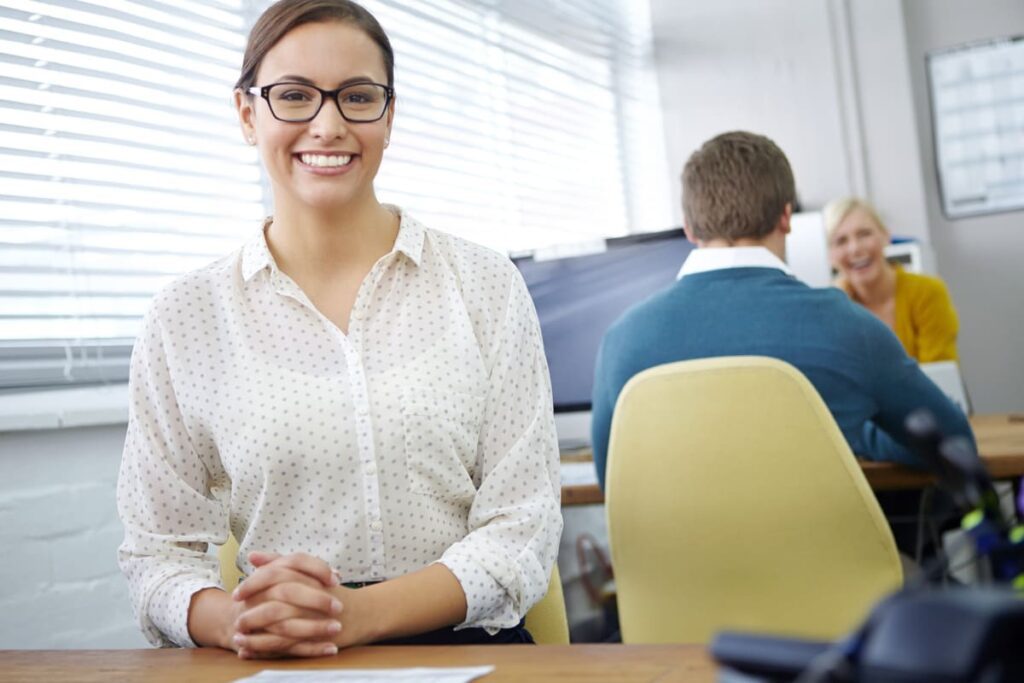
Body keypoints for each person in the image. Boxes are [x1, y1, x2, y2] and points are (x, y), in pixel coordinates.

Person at [117, 0, 561, 659]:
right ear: (247, 114)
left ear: (388, 114)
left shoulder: (484, 285)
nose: (327, 125)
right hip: (271, 654)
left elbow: (522, 527)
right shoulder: (185, 317)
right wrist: (234, 619)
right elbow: (157, 552)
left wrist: (354, 614)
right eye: (293, 95)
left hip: (468, 648)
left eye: (357, 96)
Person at [590, 131, 974, 491]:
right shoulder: (849, 328)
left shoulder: (621, 341)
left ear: (690, 228)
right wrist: (855, 433)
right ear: (787, 217)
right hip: (825, 562)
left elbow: (615, 483)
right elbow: (953, 444)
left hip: (674, 564)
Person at [825, 197, 959, 363]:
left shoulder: (928, 292)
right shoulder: (833, 309)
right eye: (841, 241)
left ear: (885, 235)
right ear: (829, 255)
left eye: (864, 234)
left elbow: (939, 376)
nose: (855, 249)